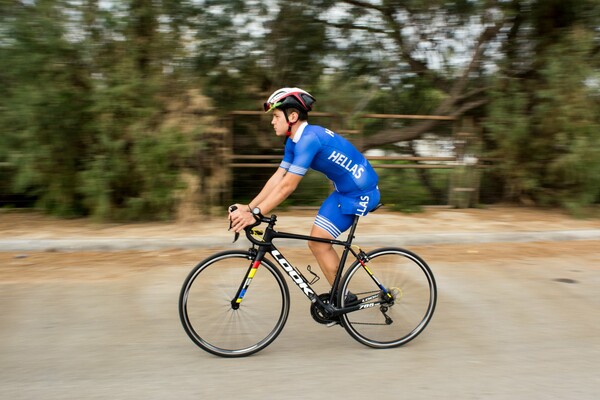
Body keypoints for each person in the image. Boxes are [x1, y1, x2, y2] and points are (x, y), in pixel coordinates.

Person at [228, 87, 380, 287]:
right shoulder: (293, 142)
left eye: (275, 116)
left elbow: (287, 187)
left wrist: (256, 215)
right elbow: (278, 178)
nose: (272, 122)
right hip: (344, 191)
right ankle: (342, 298)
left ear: (292, 116)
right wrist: (250, 207)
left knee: (319, 241)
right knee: (316, 242)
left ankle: (341, 300)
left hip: (361, 193)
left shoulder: (308, 140)